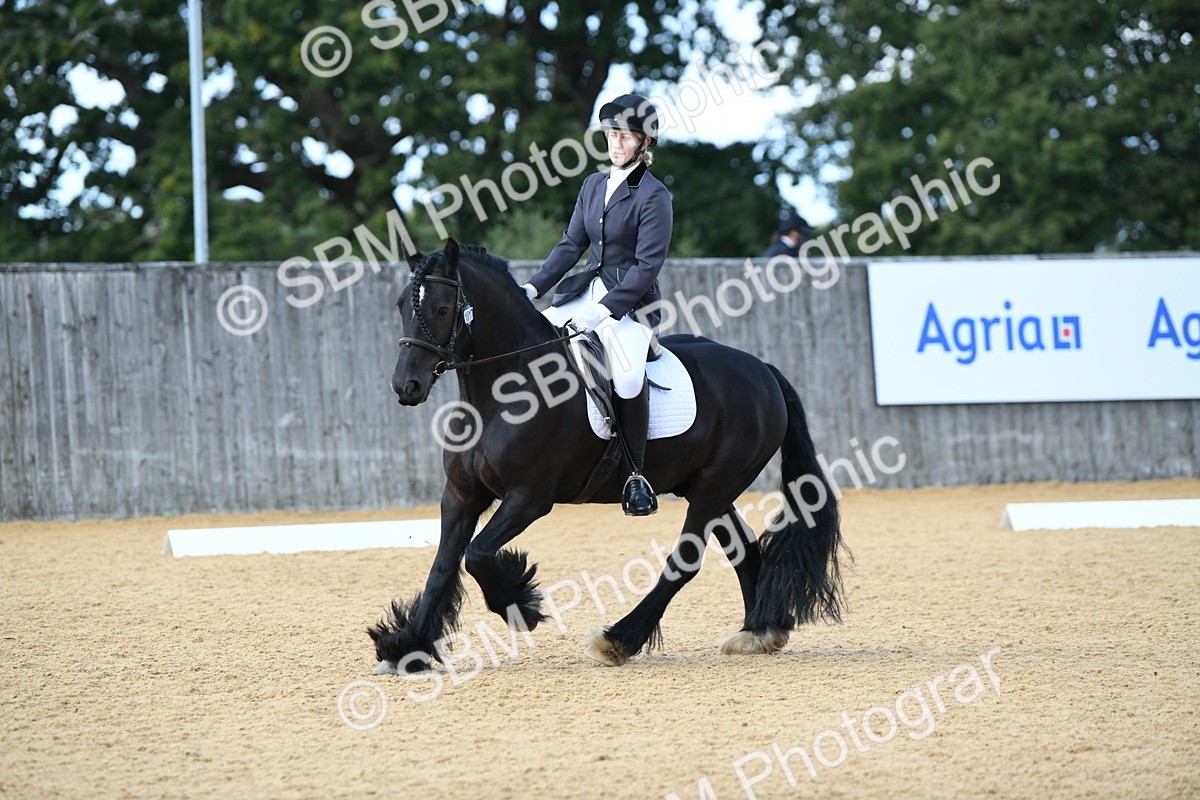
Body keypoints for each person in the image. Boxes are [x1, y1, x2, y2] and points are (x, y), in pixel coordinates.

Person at [520, 94, 672, 516]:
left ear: (644, 143)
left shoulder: (654, 195)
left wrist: (607, 310)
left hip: (632, 305)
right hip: (581, 292)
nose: (615, 143)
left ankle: (635, 475)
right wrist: (532, 289)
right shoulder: (592, 184)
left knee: (624, 378)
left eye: (624, 136)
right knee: (533, 344)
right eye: (610, 134)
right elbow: (571, 244)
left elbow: (647, 266)